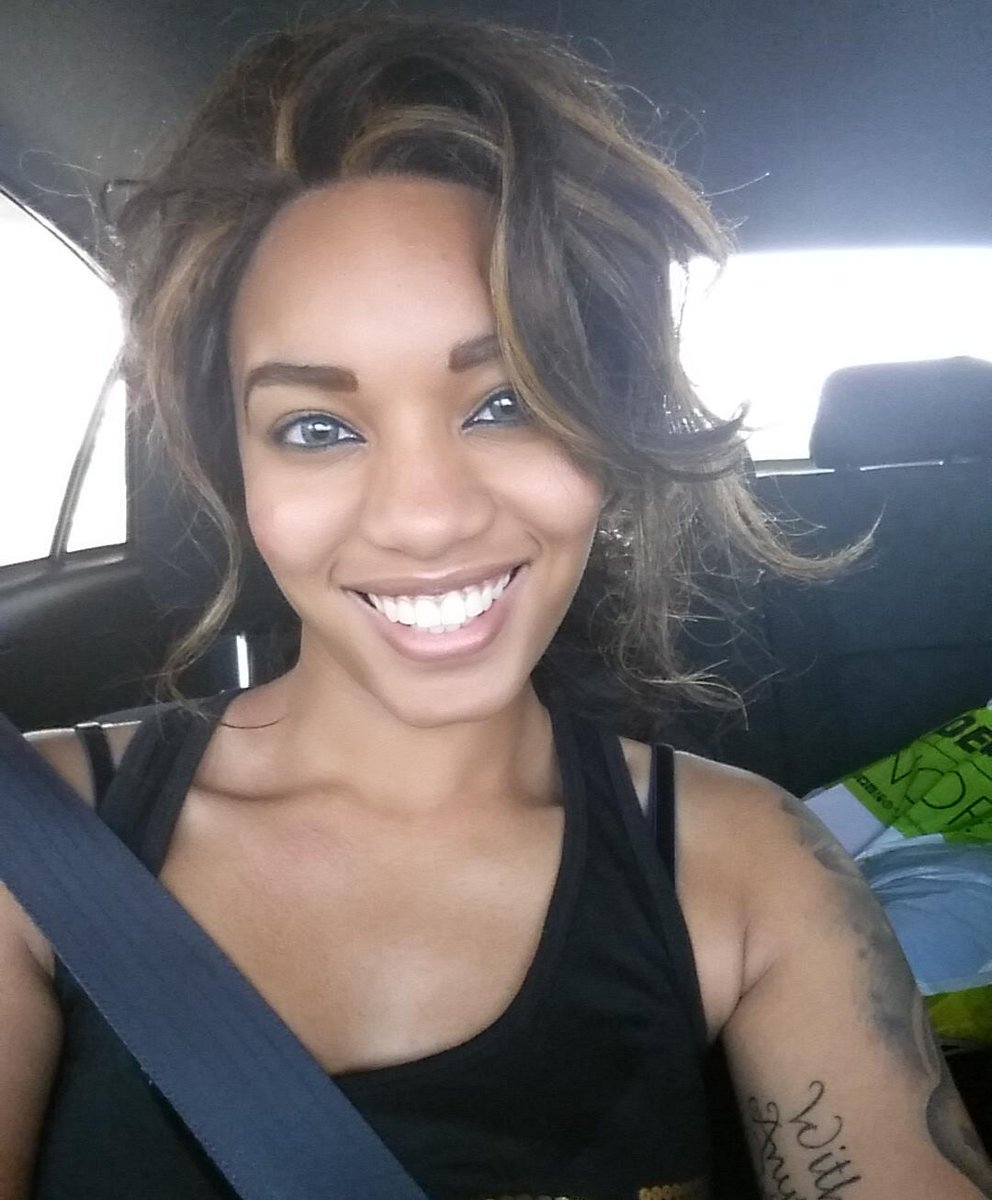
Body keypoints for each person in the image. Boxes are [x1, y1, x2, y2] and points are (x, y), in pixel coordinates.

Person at [1, 10, 989, 1200]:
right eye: (314, 428)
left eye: (505, 402)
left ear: (604, 431)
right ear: (234, 472)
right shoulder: (31, 843)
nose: (424, 516)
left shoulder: (748, 865)